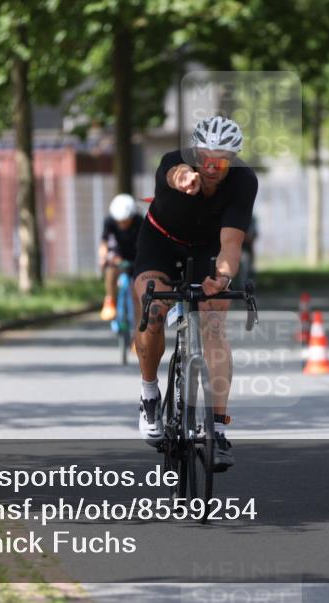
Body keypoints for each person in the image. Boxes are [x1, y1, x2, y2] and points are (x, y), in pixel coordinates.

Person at [132, 115, 257, 471]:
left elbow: (231, 244)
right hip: (160, 242)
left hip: (207, 249)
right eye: (204, 157)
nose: (211, 166)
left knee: (214, 321)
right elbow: (174, 174)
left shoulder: (244, 181)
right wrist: (185, 178)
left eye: (221, 160)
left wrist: (222, 276)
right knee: (153, 310)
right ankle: (149, 395)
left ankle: (217, 429)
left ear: (233, 159)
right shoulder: (176, 162)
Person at [99, 194, 142, 321]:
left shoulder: (140, 221)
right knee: (111, 271)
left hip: (136, 257)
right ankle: (110, 300)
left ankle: (139, 335)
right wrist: (103, 258)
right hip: (118, 256)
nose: (122, 224)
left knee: (137, 296)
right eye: (119, 221)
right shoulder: (109, 221)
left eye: (125, 221)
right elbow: (104, 243)